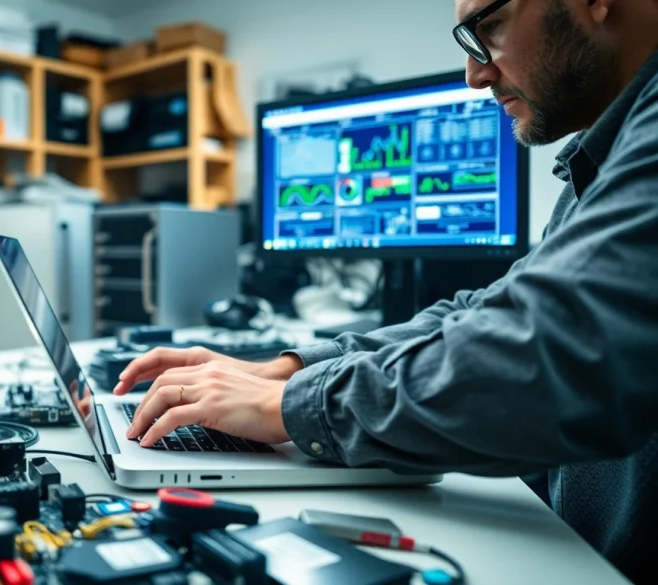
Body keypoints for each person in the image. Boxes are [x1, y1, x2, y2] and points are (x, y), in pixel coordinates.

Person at [116, 0, 658, 583]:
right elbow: (485, 310)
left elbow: (551, 354)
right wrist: (287, 370)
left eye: (491, 27)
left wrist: (289, 407)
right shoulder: (600, 165)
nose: (475, 73)